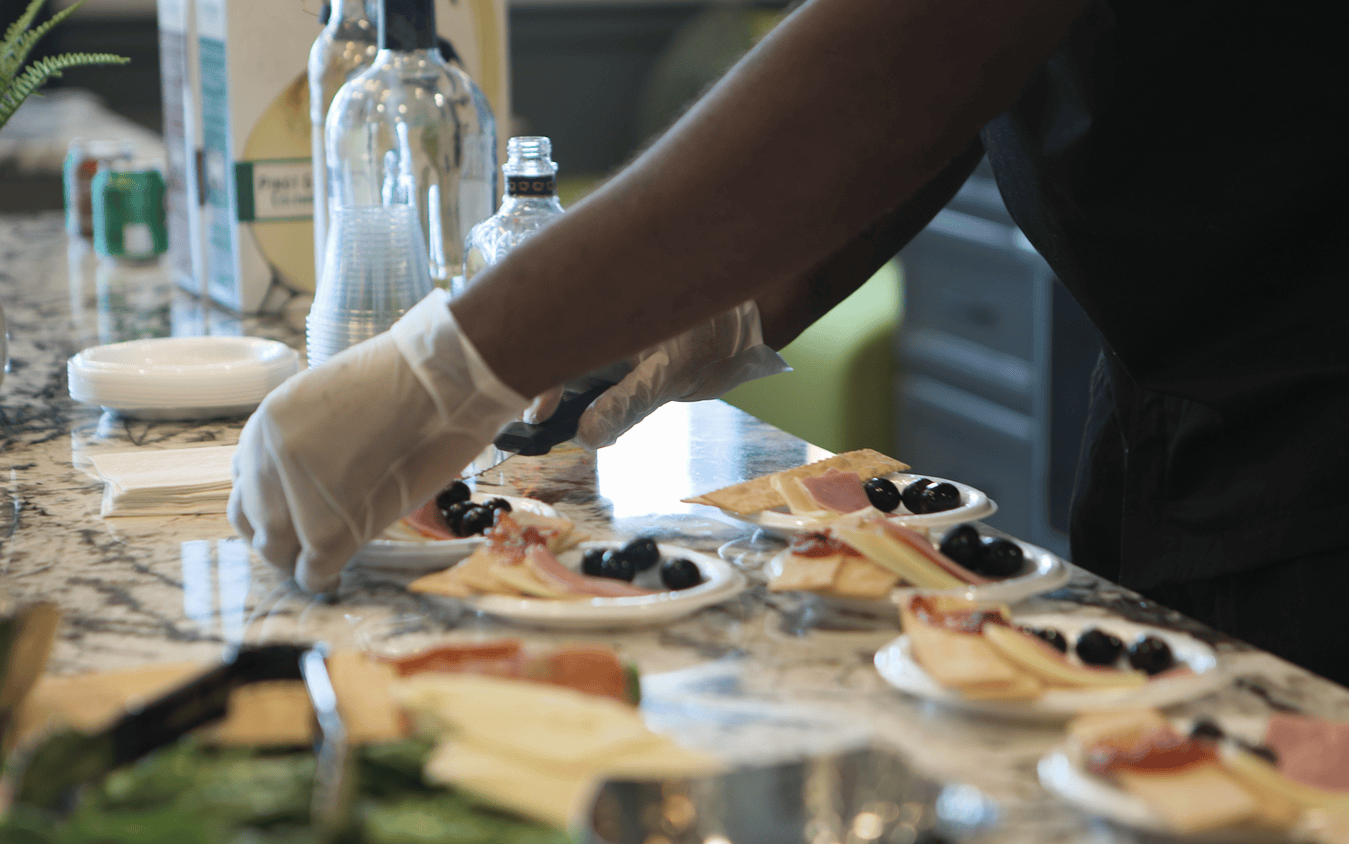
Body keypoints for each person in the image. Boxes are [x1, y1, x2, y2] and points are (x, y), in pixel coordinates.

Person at [229, 0, 1349, 684]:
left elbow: (929, 40)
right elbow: (961, 91)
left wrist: (456, 358)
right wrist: (745, 299)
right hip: (1179, 394)